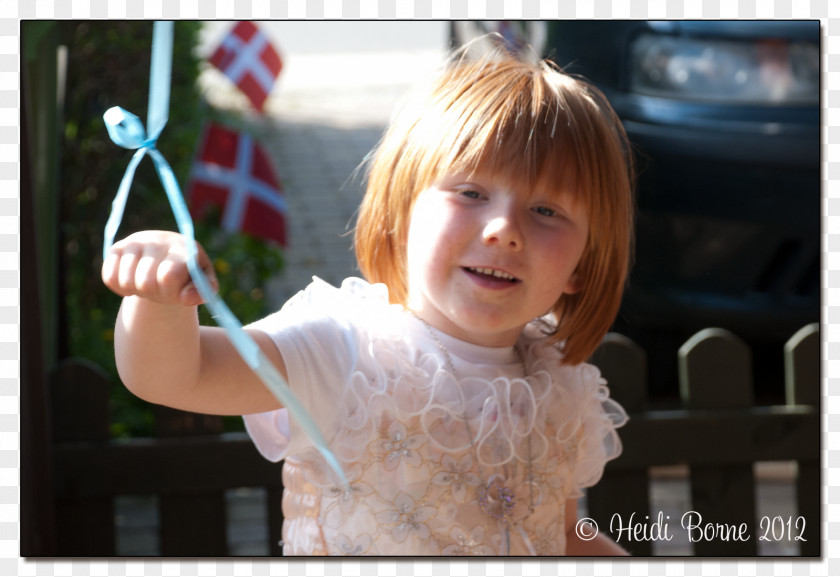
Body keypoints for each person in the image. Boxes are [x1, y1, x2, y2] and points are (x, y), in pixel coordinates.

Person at [102, 42, 635, 556]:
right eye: (471, 193)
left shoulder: (558, 384)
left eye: (547, 211)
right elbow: (173, 376)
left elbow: (557, 534)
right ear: (400, 220)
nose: (503, 229)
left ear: (583, 266)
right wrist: (159, 299)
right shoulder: (345, 352)